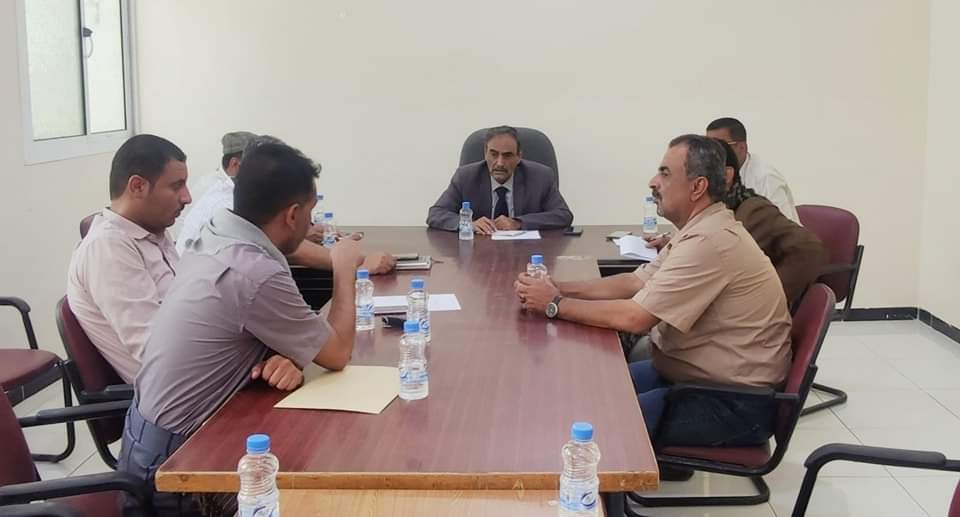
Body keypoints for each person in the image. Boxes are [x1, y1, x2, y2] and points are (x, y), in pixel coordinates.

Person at [119, 141, 362, 516]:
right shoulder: (253, 271)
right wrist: (343, 267)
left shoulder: (218, 233)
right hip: (179, 469)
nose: (311, 224)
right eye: (310, 213)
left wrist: (287, 356)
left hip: (146, 439)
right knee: (328, 481)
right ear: (292, 214)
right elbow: (338, 353)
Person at [514, 135, 792, 449]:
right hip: (692, 377)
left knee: (599, 425)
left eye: (665, 173)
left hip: (732, 402)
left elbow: (635, 318)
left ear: (697, 187)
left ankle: (629, 474)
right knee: (590, 389)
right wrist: (557, 286)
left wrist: (554, 304)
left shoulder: (710, 241)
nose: (653, 182)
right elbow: (634, 282)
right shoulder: (698, 230)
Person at [67, 134, 192, 383]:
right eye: (176, 186)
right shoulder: (108, 247)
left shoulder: (153, 233)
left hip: (201, 377)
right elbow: (157, 352)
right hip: (178, 394)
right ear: (137, 187)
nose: (187, 197)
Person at [178, 132, 396, 274]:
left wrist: (304, 232)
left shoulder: (232, 193)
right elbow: (290, 250)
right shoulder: (225, 201)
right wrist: (353, 263)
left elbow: (269, 236)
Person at [646, 139, 828, 307]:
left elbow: (810, 248)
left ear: (726, 175)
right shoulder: (713, 216)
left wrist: (771, 297)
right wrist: (672, 243)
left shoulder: (753, 211)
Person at [426, 125, 573, 233]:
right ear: (485, 153)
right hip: (478, 254)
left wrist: (518, 223)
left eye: (507, 155)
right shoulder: (466, 177)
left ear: (519, 156)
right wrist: (468, 224)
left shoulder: (541, 176)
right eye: (494, 154)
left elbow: (563, 215)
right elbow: (436, 214)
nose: (500, 163)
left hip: (525, 252)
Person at [706, 117, 800, 224]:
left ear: (742, 147)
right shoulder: (710, 175)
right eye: (708, 147)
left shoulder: (766, 178)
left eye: (719, 147)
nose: (712, 154)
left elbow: (783, 225)